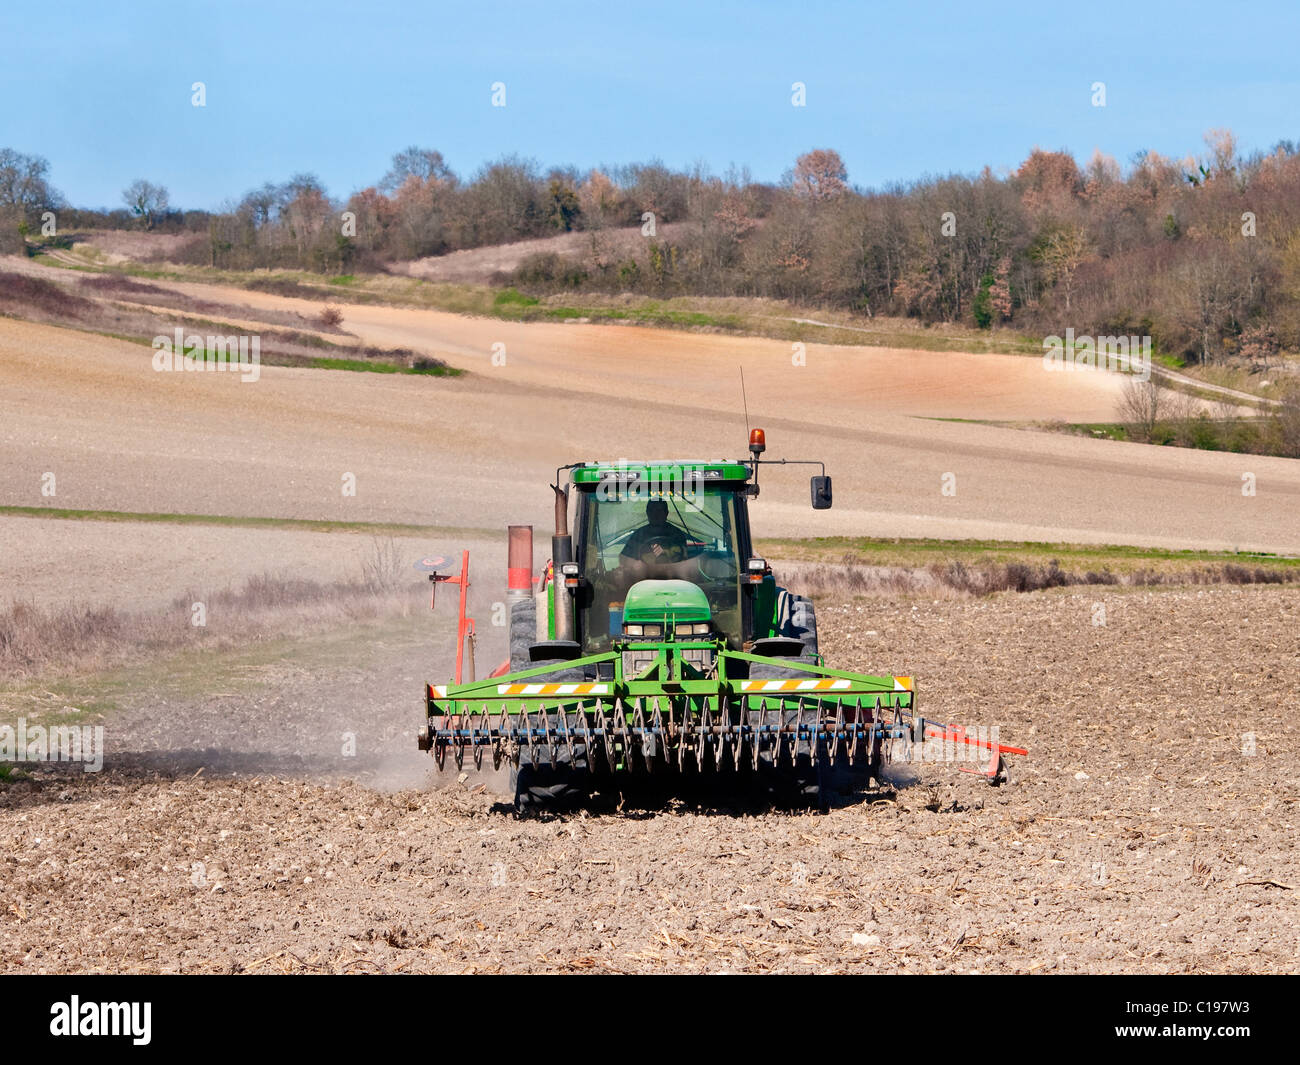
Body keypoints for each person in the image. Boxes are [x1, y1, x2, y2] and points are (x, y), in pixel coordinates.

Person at [620, 499, 689, 565]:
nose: (655, 514)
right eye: (651, 510)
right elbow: (624, 558)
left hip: (671, 573)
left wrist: (664, 553)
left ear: (666, 513)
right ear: (647, 513)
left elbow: (683, 559)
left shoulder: (677, 534)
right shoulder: (638, 535)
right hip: (643, 574)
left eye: (659, 510)